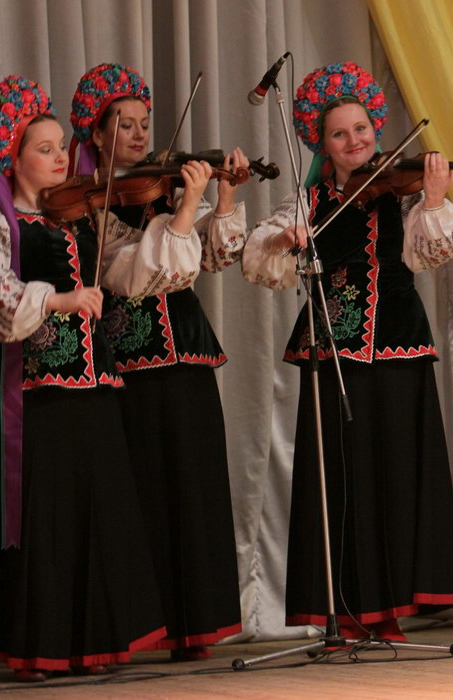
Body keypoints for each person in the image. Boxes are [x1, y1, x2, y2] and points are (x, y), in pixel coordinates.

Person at [0, 75, 170, 682]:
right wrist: (57, 299)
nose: (59, 157)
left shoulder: (83, 218)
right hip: (36, 395)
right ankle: (41, 646)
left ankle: (90, 642)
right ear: (14, 159)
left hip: (92, 388)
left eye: (59, 147)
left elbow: (136, 267)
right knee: (45, 517)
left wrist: (190, 209)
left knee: (96, 510)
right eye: (44, 149)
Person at [242, 61, 453, 644]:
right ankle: (351, 610)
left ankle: (393, 607)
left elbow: (429, 254)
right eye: (339, 134)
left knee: (396, 472)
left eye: (361, 128)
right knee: (342, 475)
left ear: (375, 127)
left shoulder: (402, 193)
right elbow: (258, 258)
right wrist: (285, 239)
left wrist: (436, 197)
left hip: (398, 344)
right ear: (322, 143)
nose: (354, 141)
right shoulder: (308, 199)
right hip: (333, 347)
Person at [69, 63, 245, 660]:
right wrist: (185, 208)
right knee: (142, 491)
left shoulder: (163, 187)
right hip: (131, 359)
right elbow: (137, 277)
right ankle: (142, 627)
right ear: (97, 134)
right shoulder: (88, 203)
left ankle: (196, 626)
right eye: (125, 124)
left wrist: (222, 198)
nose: (141, 134)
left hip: (188, 354)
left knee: (194, 487)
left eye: (145, 123)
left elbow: (214, 259)